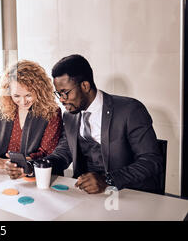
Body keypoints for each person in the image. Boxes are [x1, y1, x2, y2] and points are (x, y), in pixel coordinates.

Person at [23, 54, 163, 194]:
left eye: (65, 93)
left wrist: (108, 180)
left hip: (127, 193)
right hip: (85, 194)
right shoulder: (70, 116)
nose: (62, 100)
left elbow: (151, 161)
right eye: (59, 94)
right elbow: (64, 152)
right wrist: (33, 166)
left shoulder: (130, 110)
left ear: (85, 86)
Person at [0, 60, 62, 178]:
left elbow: (47, 156)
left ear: (40, 90)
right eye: (16, 96)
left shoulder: (52, 113)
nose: (23, 102)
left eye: (28, 95)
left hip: (33, 178)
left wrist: (6, 163)